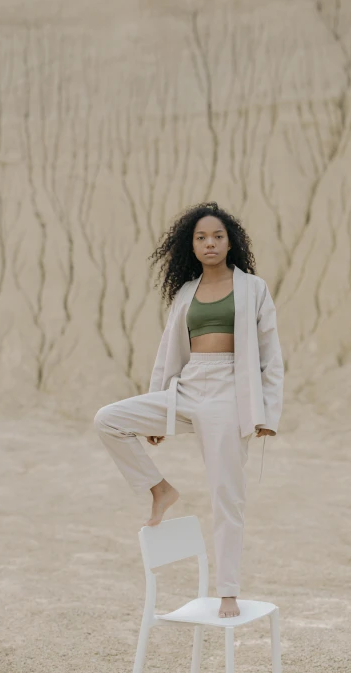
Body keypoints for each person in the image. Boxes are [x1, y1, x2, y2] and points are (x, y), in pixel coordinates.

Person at [94, 201, 283, 618]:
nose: (209, 243)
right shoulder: (185, 292)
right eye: (201, 238)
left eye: (217, 236)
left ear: (230, 241)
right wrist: (159, 406)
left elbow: (270, 353)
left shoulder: (254, 288)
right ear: (191, 246)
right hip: (187, 387)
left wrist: (266, 413)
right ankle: (160, 489)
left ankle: (228, 590)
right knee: (109, 419)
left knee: (225, 493)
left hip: (230, 394)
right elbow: (169, 353)